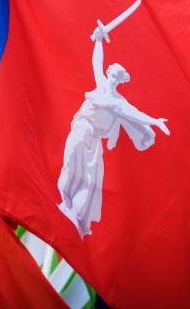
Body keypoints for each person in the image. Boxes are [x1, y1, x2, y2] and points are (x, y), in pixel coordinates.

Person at [57, 25, 169, 237]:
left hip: (93, 141)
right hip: (81, 129)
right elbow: (97, 61)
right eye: (112, 71)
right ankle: (65, 203)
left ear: (119, 78)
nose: (112, 73)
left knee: (87, 180)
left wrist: (155, 121)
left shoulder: (118, 101)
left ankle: (75, 214)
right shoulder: (100, 84)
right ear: (109, 73)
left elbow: (134, 113)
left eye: (118, 73)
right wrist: (99, 40)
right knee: (69, 166)